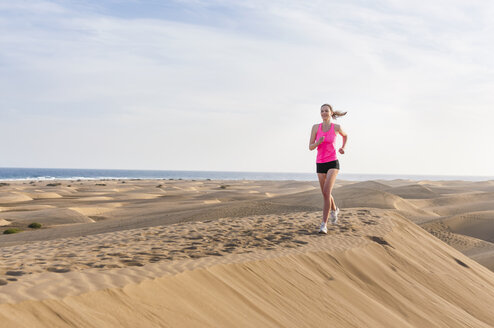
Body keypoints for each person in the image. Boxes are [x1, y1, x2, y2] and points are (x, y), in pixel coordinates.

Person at [308, 104, 348, 233]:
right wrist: (318, 142)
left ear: (331, 113)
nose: (324, 113)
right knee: (326, 193)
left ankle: (323, 225)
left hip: (332, 163)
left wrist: (343, 148)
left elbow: (345, 136)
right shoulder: (315, 127)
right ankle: (334, 209)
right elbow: (310, 147)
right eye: (322, 111)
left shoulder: (336, 127)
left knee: (326, 192)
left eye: (326, 111)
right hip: (320, 163)